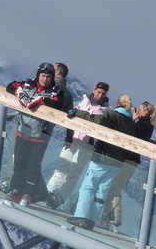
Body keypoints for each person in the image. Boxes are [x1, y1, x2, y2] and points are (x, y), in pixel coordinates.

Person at [66, 94, 136, 230]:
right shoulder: (131, 124)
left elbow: (95, 119)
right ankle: (92, 220)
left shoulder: (112, 116)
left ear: (117, 102)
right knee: (101, 191)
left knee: (88, 186)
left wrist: (78, 112)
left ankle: (81, 216)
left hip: (102, 158)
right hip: (118, 163)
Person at [0, 63, 66, 206]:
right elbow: (11, 86)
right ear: (38, 75)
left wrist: (38, 101)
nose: (45, 79)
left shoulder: (56, 91)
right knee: (19, 163)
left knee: (33, 165)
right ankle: (15, 189)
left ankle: (28, 194)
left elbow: (57, 103)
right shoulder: (29, 84)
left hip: (41, 135)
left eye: (49, 77)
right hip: (23, 130)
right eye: (43, 76)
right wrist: (21, 94)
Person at [46, 82, 111, 210]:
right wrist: (68, 137)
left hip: (87, 145)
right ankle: (48, 192)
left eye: (103, 94)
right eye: (98, 92)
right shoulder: (84, 101)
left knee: (73, 173)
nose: (100, 95)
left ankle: (60, 197)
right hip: (73, 139)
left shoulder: (105, 110)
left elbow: (94, 122)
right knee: (60, 168)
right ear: (94, 90)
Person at [100, 101, 156, 232]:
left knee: (115, 187)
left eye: (140, 109)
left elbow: (131, 135)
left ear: (145, 112)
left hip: (128, 160)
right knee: (115, 187)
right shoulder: (146, 125)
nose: (137, 110)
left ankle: (112, 219)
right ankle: (109, 218)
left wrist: (132, 120)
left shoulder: (144, 125)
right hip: (131, 160)